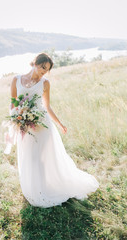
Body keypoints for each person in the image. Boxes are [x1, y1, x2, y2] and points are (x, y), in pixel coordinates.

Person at [9, 52, 99, 208]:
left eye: (47, 69)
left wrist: (60, 124)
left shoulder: (45, 83)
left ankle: (46, 187)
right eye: (43, 67)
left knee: (43, 157)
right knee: (29, 156)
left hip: (42, 125)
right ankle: (32, 188)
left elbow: (47, 106)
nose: (44, 71)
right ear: (35, 63)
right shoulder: (16, 80)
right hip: (24, 125)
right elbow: (13, 103)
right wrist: (16, 116)